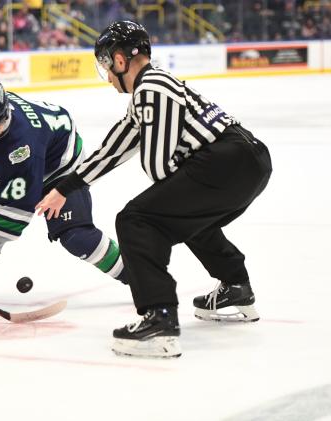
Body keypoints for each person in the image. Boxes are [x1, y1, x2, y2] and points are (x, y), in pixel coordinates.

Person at [36, 21, 273, 358]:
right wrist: (65, 187)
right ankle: (236, 286)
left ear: (120, 61)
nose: (105, 73)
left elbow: (158, 167)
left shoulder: (152, 88)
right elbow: (111, 151)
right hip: (245, 162)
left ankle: (159, 317)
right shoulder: (150, 91)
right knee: (184, 216)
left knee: (136, 220)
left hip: (226, 161)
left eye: (105, 63)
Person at [0, 80, 125, 283]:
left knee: (77, 237)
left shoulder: (20, 147)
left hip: (60, 167)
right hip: (16, 163)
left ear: (7, 114)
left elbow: (13, 218)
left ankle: (138, 276)